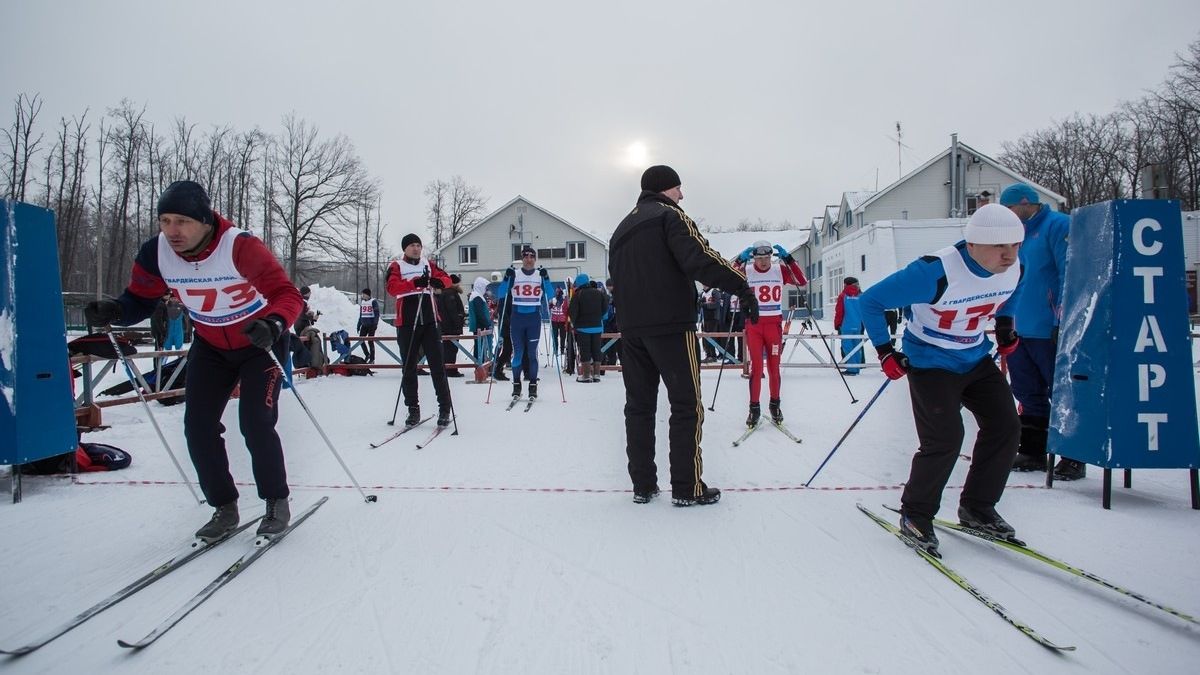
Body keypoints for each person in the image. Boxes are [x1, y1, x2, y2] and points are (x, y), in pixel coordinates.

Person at [83, 180, 303, 540]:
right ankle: (224, 506)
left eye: (182, 221)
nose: (172, 231)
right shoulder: (157, 252)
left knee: (255, 422)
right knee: (197, 427)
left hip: (258, 343)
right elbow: (139, 298)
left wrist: (275, 322)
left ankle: (276, 501)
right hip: (211, 345)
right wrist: (116, 310)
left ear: (205, 220)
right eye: (165, 220)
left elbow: (287, 294)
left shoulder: (240, 246)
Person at [858, 204, 1027, 556]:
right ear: (976, 243)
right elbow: (870, 301)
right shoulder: (934, 273)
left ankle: (977, 508)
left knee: (1006, 425)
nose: (1010, 255)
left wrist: (1005, 326)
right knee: (945, 438)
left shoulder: (1012, 268)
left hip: (975, 356)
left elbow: (1011, 293)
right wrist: (885, 351)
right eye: (1001, 247)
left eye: (1015, 245)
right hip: (930, 360)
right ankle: (915, 515)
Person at [609, 165, 758, 507]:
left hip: (632, 331)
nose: (682, 195)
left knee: (639, 408)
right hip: (672, 326)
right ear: (665, 189)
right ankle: (687, 486)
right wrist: (741, 286)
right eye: (678, 188)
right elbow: (700, 258)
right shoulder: (670, 216)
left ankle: (643, 485)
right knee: (686, 405)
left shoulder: (620, 230)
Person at [999, 183, 1078, 480]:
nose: (1007, 216)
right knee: (1026, 391)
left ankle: (1073, 455)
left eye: (1009, 209)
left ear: (1024, 203)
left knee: (1061, 392)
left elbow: (1068, 274)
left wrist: (1062, 320)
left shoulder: (1058, 225)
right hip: (1020, 327)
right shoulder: (1013, 234)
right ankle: (1033, 449)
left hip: (1048, 327)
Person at [733, 240, 808, 426]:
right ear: (753, 258)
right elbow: (726, 278)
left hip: (774, 325)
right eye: (759, 258)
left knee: (774, 368)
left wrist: (789, 260)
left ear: (771, 257)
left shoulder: (779, 270)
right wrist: (738, 261)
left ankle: (775, 406)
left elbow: (802, 281)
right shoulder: (748, 270)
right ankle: (754, 409)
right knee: (757, 369)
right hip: (755, 325)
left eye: (766, 258)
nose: (763, 262)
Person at [385, 233, 454, 427]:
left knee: (437, 366)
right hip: (407, 323)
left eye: (418, 245)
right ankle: (413, 409)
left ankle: (444, 408)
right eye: (412, 246)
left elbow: (446, 278)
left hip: (430, 321)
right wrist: (415, 283)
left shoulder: (428, 264)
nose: (416, 249)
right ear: (405, 248)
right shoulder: (397, 266)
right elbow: (392, 287)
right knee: (409, 368)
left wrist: (439, 283)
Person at [496, 245, 556, 400]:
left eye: (531, 257)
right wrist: (506, 278)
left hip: (533, 319)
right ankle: (516, 386)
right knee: (518, 353)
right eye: (526, 257)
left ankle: (533, 386)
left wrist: (547, 278)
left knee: (532, 354)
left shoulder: (539, 275)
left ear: (535, 259)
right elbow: (501, 293)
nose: (529, 260)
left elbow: (550, 295)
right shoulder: (514, 274)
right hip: (517, 318)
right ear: (522, 259)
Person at [568, 273, 608, 383]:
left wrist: (573, 323)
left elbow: (572, 312)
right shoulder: (599, 293)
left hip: (583, 328)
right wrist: (600, 318)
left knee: (585, 351)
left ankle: (586, 375)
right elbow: (605, 310)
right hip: (597, 327)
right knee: (596, 350)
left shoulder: (578, 295)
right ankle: (596, 374)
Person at [437, 274, 467, 377]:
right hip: (451, 327)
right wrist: (459, 321)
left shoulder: (444, 292)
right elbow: (452, 311)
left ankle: (448, 368)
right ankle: (450, 370)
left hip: (445, 326)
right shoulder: (451, 293)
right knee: (451, 349)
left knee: (447, 348)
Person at [833, 277, 864, 374]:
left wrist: (837, 324)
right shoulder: (861, 295)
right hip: (858, 324)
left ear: (846, 284)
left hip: (846, 325)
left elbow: (839, 312)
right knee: (856, 347)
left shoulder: (843, 296)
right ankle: (857, 367)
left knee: (847, 347)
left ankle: (852, 369)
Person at [467, 276, 494, 373]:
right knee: (480, 347)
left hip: (480, 325)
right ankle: (480, 366)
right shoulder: (477, 297)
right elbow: (480, 313)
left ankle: (480, 365)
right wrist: (487, 323)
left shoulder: (477, 296)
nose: (486, 290)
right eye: (485, 287)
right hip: (480, 326)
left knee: (480, 346)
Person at [356, 288, 381, 363]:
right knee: (361, 340)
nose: (362, 295)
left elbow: (377, 314)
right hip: (364, 325)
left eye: (363, 294)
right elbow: (361, 315)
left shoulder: (373, 302)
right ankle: (367, 355)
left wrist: (375, 324)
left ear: (367, 294)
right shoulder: (362, 302)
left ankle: (372, 359)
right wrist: (358, 325)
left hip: (371, 325)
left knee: (370, 341)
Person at [549, 286, 568, 357]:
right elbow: (549, 307)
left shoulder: (564, 299)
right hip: (554, 320)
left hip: (562, 320)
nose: (557, 293)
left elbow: (566, 307)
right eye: (556, 292)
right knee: (554, 336)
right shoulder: (553, 299)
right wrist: (550, 303)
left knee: (563, 336)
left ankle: (562, 349)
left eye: (558, 292)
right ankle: (555, 349)